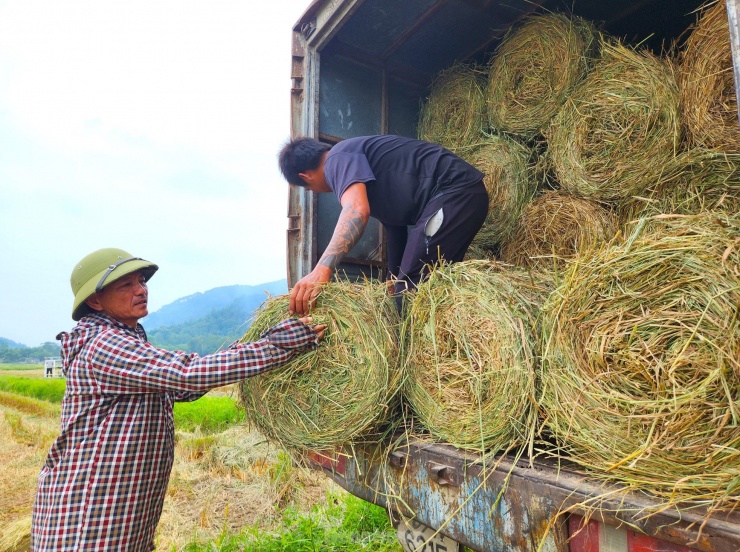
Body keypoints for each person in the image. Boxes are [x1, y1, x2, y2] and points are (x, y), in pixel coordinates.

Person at [31, 247, 326, 551]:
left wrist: (251, 346)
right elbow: (189, 373)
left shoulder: (126, 341)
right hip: (87, 517)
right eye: (126, 285)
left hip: (119, 515)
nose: (141, 290)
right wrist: (277, 344)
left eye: (141, 281)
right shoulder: (104, 345)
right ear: (95, 300)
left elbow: (184, 387)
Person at [278, 134, 488, 315]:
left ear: (305, 176)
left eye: (310, 187)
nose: (317, 191)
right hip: (459, 197)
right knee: (410, 287)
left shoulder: (337, 158)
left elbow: (356, 211)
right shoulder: (353, 162)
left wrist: (321, 269)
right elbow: (395, 228)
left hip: (455, 193)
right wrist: (392, 278)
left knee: (409, 292)